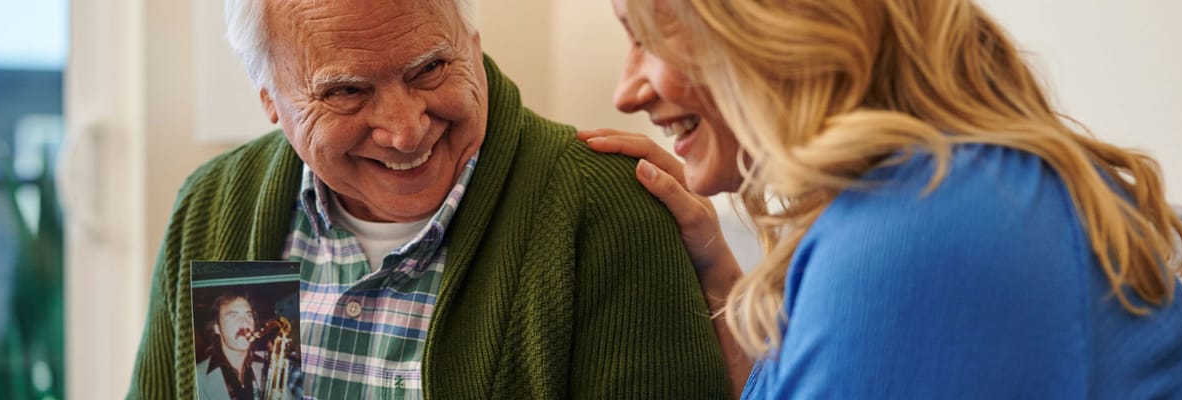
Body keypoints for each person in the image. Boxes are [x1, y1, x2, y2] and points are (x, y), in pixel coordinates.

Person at [583, 0, 1182, 398]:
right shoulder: (951, 189)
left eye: (648, 34)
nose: (626, 90)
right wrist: (719, 275)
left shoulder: (922, 231)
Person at [128, 0, 730, 398]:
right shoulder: (215, 206)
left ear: (471, 39)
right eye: (346, 91)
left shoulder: (603, 213)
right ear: (269, 100)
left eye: (429, 69)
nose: (405, 129)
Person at [196, 292, 261, 400]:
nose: (245, 323)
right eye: (233, 316)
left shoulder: (269, 367)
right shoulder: (197, 378)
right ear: (217, 328)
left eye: (249, 315)